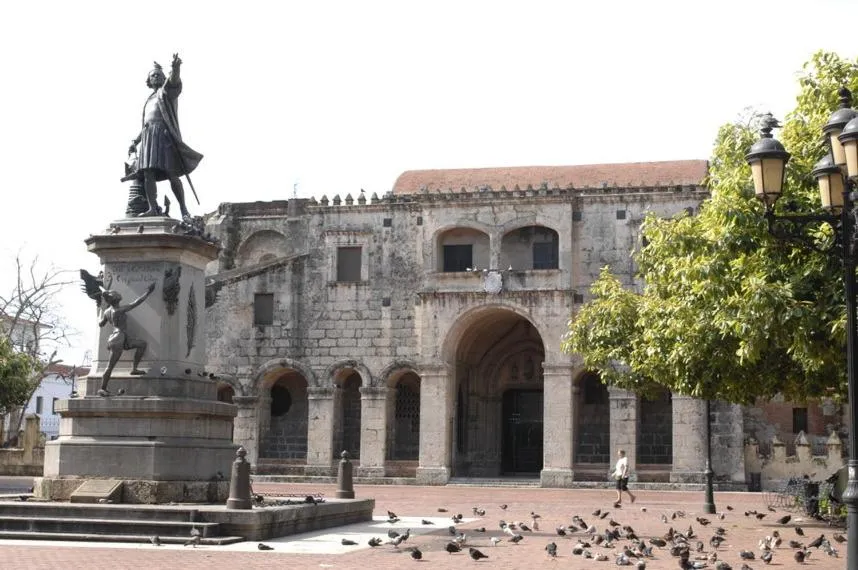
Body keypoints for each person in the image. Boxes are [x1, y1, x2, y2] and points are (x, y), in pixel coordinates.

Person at [123, 53, 203, 220]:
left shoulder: (165, 93)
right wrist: (135, 141)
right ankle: (152, 208)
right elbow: (146, 125)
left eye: (159, 75)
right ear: (149, 80)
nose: (156, 77)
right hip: (148, 138)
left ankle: (183, 209)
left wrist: (175, 69)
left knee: (171, 172)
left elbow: (174, 83)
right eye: (153, 75)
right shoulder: (149, 99)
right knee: (148, 174)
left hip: (164, 137)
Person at [97, 283, 156, 397]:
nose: (119, 295)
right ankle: (102, 388)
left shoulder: (107, 311)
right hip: (119, 338)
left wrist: (102, 308)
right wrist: (148, 293)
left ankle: (134, 369)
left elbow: (101, 324)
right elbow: (136, 303)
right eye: (118, 295)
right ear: (116, 299)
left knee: (142, 344)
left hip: (120, 337)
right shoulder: (118, 310)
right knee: (110, 366)